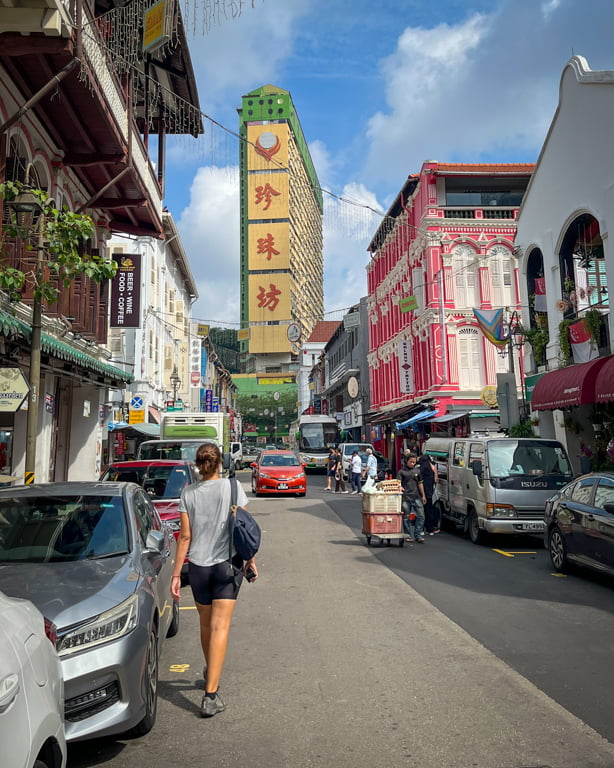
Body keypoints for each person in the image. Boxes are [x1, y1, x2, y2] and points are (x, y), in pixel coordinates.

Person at [170, 442, 258, 718]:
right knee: (220, 628)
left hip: (197, 568)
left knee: (206, 626)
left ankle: (211, 672)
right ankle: (211, 695)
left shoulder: (187, 493)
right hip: (226, 567)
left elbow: (185, 537)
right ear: (219, 463)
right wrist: (251, 561)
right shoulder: (232, 487)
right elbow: (243, 527)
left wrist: (175, 574)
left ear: (198, 465)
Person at [398, 453, 427, 543]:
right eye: (411, 461)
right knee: (406, 517)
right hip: (406, 497)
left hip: (416, 496)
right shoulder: (401, 472)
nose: (412, 463)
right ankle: (408, 535)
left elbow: (420, 483)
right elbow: (398, 483)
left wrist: (423, 495)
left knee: (421, 516)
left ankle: (417, 535)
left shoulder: (417, 471)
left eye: (414, 462)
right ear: (406, 461)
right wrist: (400, 487)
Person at [418, 454, 439, 535]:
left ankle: (421, 529)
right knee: (429, 511)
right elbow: (436, 480)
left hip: (421, 493)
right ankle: (430, 529)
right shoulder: (433, 469)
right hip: (430, 492)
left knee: (421, 512)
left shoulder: (419, 470)